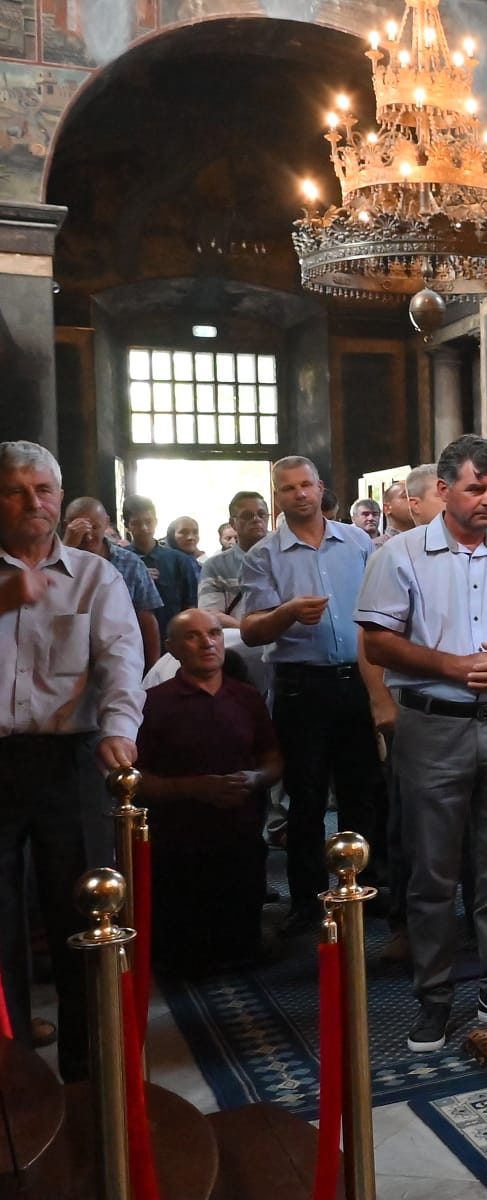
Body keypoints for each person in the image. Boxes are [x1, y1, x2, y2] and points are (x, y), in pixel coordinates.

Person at [357, 434, 487, 1051]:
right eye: (477, 488)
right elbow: (377, 643)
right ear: (443, 490)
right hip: (433, 724)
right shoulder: (401, 555)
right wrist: (451, 666)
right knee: (432, 871)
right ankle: (434, 998)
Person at [0, 442, 143, 1081]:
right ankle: (14, 1075)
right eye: (16, 490)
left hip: (70, 759)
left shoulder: (93, 574)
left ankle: (91, 1073)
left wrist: (118, 728)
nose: (34, 502)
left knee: (82, 912)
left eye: (45, 489)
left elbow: (120, 661)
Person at [239, 456, 388, 934]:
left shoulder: (358, 542)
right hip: (301, 688)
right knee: (304, 800)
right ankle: (306, 901)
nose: (299, 495)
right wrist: (286, 614)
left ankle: (367, 887)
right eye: (288, 489)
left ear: (321, 488)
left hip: (354, 680)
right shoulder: (263, 554)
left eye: (306, 485)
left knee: (362, 794)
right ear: (277, 495)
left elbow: (379, 614)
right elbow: (252, 630)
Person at [137, 610, 281, 973]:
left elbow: (273, 758)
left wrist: (254, 778)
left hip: (240, 829)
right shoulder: (152, 702)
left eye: (215, 633)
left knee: (242, 946)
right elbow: (136, 779)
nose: (208, 643)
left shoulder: (246, 698)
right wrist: (192, 788)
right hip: (179, 838)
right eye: (193, 636)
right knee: (184, 954)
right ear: (172, 648)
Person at [63, 497, 163, 667]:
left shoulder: (129, 562)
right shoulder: (54, 560)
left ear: (107, 522)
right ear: (67, 526)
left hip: (121, 659)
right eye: (80, 529)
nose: (88, 536)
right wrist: (66, 551)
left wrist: (153, 669)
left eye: (95, 527)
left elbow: (146, 618)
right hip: (68, 659)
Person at [124, 495, 200, 626]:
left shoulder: (179, 560)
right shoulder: (122, 561)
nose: (144, 528)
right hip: (132, 632)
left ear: (156, 521)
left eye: (148, 521)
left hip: (173, 633)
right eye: (136, 523)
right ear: (127, 526)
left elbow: (190, 604)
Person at [198, 491, 272, 625]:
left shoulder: (286, 557)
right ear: (233, 523)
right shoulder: (215, 565)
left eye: (262, 514)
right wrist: (251, 630)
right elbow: (211, 613)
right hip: (240, 642)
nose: (256, 519)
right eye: (247, 516)